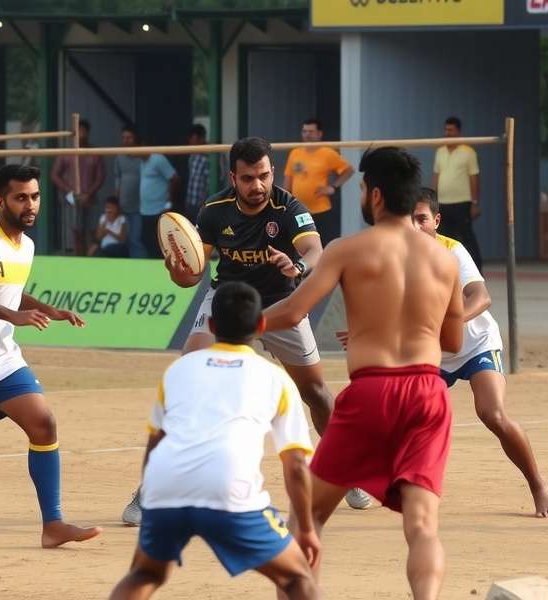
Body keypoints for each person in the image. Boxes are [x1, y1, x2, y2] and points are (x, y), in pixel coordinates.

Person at [121, 137, 370, 526]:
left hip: (280, 304)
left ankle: (349, 471)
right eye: (249, 178)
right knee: (190, 382)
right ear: (232, 177)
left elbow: (315, 252)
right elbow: (192, 276)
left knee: (317, 394)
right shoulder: (213, 211)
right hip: (228, 300)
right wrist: (177, 267)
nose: (258, 185)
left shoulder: (288, 207)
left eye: (265, 175)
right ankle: (149, 493)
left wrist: (297, 267)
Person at [264, 147, 465, 600]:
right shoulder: (444, 260)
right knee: (421, 525)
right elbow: (451, 342)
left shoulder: (348, 249)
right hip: (428, 394)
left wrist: (242, 323)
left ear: (375, 195)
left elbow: (294, 311)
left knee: (307, 518)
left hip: (372, 394)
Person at [109, 281, 320, 600]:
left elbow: (154, 446)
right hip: (230, 491)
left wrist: (152, 500)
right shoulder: (274, 378)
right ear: (261, 325)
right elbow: (297, 467)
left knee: (145, 573)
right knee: (297, 578)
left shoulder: (178, 370)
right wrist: (305, 528)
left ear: (210, 325)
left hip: (165, 486)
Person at [0, 164, 101, 547]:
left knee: (43, 424)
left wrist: (49, 309)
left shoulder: (26, 245)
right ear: (0, 201)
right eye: (21, 198)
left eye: (34, 196)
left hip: (2, 361)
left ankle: (53, 526)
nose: (30, 204)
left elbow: (9, 292)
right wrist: (15, 316)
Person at [412, 189, 548, 518]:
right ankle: (385, 482)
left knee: (492, 414)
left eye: (422, 219)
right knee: (404, 414)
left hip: (476, 343)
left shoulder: (452, 250)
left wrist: (447, 325)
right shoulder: (396, 255)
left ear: (436, 220)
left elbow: (481, 297)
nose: (415, 226)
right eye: (409, 220)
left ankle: (537, 483)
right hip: (434, 352)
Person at [283, 118, 354, 246]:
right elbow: (288, 179)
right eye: (304, 131)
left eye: (311, 131)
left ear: (319, 134)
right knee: (299, 247)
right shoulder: (295, 153)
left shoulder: (327, 153)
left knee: (325, 247)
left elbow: (349, 170)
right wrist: (284, 202)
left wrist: (333, 187)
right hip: (299, 211)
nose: (307, 134)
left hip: (321, 211)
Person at [433, 116, 483, 271]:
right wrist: (432, 201)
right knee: (441, 238)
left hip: (461, 202)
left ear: (458, 132)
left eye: (450, 130)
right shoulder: (440, 151)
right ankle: (444, 270)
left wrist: (474, 203)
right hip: (443, 203)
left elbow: (474, 178)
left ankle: (476, 269)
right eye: (445, 130)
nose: (447, 133)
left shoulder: (468, 152)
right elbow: (436, 176)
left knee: (466, 237)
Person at [50, 118, 105, 256]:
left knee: (93, 231)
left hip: (90, 199)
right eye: (79, 131)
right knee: (77, 231)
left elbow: (100, 177)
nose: (81, 134)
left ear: (88, 132)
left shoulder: (94, 153)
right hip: (72, 199)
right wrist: (70, 190)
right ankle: (79, 258)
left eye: (84, 131)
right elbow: (55, 175)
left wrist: (89, 193)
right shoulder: (67, 153)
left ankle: (93, 259)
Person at [139, 150, 179, 259]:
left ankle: (163, 263)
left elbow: (174, 178)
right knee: (145, 238)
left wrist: (169, 202)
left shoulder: (158, 159)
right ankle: (154, 261)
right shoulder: (141, 161)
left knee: (160, 240)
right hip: (145, 209)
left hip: (159, 209)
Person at [113, 123, 144, 257]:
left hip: (140, 207)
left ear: (136, 139)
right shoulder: (119, 157)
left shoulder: (143, 157)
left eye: (129, 138)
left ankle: (141, 265)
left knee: (135, 239)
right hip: (124, 205)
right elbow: (117, 182)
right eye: (124, 138)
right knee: (125, 238)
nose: (126, 141)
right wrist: (116, 204)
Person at [186, 123, 210, 221]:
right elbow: (192, 179)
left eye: (193, 138)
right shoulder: (192, 155)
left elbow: (208, 183)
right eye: (190, 138)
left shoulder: (208, 157)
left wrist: (204, 204)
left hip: (201, 204)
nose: (191, 141)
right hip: (191, 201)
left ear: (201, 139)